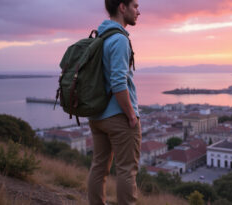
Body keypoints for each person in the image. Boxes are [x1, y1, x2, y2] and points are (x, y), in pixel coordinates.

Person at [87, 0, 141, 204]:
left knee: (99, 167)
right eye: (135, 6)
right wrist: (131, 115)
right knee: (127, 171)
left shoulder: (100, 36)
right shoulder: (119, 39)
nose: (138, 11)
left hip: (97, 115)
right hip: (118, 117)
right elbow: (119, 83)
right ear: (122, 7)